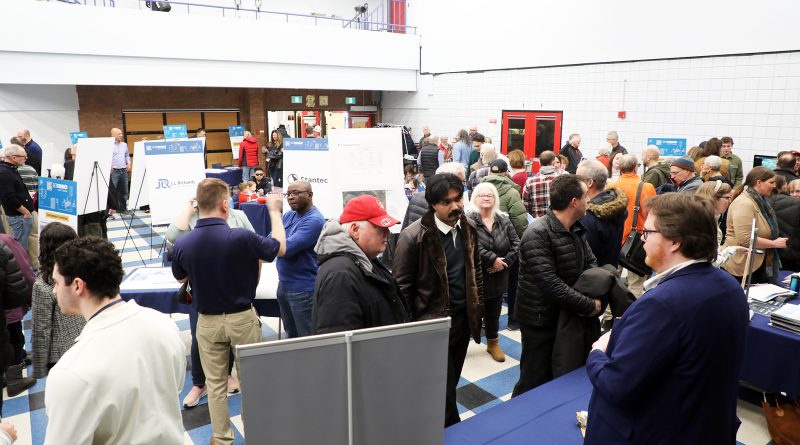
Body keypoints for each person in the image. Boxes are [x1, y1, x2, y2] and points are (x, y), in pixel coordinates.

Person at [584, 193, 748, 445]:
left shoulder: (662, 304)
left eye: (648, 232)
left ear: (674, 242)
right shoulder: (728, 285)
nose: (642, 238)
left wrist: (598, 352)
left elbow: (617, 386)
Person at [171, 178, 286, 444]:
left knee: (215, 385)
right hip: (242, 319)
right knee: (252, 383)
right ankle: (256, 433)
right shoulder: (241, 236)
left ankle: (221, 438)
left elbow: (180, 278)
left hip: (206, 322)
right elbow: (279, 247)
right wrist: (274, 213)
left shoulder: (184, 244)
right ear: (225, 204)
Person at [45, 237, 186, 444]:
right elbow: (174, 388)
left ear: (77, 285)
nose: (54, 290)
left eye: (56, 282)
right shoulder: (164, 325)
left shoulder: (71, 371)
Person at [393, 173, 484, 427]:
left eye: (459, 199)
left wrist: (477, 311)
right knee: (440, 389)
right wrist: (412, 331)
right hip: (430, 326)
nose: (455, 206)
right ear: (433, 204)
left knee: (450, 380)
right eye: (447, 202)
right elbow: (401, 291)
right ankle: (445, 431)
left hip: (462, 322)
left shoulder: (468, 228)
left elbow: (475, 273)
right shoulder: (413, 237)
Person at [513, 174, 600, 396]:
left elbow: (591, 264)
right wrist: (588, 304)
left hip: (564, 315)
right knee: (534, 378)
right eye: (586, 199)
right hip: (540, 319)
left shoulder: (576, 228)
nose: (588, 203)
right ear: (574, 202)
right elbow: (549, 283)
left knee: (558, 373)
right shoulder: (538, 233)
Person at [165, 195, 254, 408]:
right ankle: (199, 383)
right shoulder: (195, 218)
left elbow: (253, 245)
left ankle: (225, 375)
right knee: (200, 339)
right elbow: (172, 236)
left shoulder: (238, 216)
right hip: (202, 292)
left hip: (233, 290)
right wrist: (188, 207)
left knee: (230, 338)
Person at [312, 194, 409, 333]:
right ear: (355, 230)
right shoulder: (340, 274)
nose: (388, 233)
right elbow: (340, 342)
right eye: (380, 228)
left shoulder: (367, 259)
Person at [467, 182, 519, 362]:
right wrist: (492, 259)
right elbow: (471, 246)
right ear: (475, 198)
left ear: (495, 199)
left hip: (498, 276)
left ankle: (493, 343)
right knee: (470, 312)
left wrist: (503, 262)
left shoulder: (503, 219)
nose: (486, 197)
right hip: (475, 277)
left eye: (490, 195)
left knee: (493, 313)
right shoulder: (468, 220)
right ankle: (459, 346)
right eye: (482, 195)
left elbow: (516, 244)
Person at [31, 223, 85, 379]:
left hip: (62, 353)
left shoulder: (43, 285)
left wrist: (40, 368)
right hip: (85, 342)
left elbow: (41, 328)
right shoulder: (83, 272)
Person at [722, 167, 787, 284]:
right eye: (771, 182)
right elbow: (746, 239)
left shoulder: (759, 201)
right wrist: (774, 244)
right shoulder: (744, 203)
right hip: (742, 266)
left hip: (754, 263)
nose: (774, 186)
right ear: (758, 182)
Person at [276, 181, 325, 338]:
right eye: (288, 194)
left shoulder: (315, 220)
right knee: (291, 335)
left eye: (296, 193)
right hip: (284, 285)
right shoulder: (290, 215)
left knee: (306, 339)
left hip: (303, 290)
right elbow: (272, 238)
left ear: (310, 195)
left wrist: (274, 243)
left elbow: (286, 248)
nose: (290, 197)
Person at [611, 154, 656, 297]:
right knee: (636, 284)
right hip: (637, 242)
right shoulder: (647, 187)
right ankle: (632, 315)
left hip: (615, 240)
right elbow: (652, 215)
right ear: (636, 168)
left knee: (610, 281)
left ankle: (608, 316)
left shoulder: (611, 186)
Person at [578, 160, 627, 267]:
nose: (575, 183)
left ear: (590, 183)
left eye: (578, 179)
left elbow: (584, 257)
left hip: (593, 277)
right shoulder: (615, 205)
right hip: (609, 273)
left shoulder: (589, 217)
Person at [402, 162, 465, 230]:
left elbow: (405, 227)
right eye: (460, 182)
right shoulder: (452, 207)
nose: (462, 185)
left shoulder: (416, 197)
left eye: (463, 182)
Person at [696, 181, 745, 267]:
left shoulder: (710, 218)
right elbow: (713, 261)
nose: (730, 202)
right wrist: (732, 250)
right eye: (727, 198)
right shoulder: (703, 223)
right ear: (713, 198)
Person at [0, 146, 35, 250]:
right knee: (20, 247)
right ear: (14, 158)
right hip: (19, 216)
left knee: (21, 245)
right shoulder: (5, 172)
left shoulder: (10, 169)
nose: (26, 158)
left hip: (20, 215)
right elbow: (8, 197)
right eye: (24, 156)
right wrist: (25, 212)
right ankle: (21, 266)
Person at [482, 159, 528, 237]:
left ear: (489, 172)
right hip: (504, 239)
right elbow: (519, 221)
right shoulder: (512, 193)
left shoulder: (479, 190)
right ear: (506, 172)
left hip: (482, 238)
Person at [770, 178, 800, 271]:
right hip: (786, 256)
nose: (795, 194)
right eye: (792, 191)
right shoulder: (786, 205)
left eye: (798, 191)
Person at [522, 150, 559, 218]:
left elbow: (525, 207)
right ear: (553, 162)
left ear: (539, 162)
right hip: (557, 222)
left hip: (537, 223)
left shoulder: (530, 182)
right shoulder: (561, 180)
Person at [108, 128, 131, 214]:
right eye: (119, 134)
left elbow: (127, 155)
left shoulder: (124, 145)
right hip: (114, 172)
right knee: (112, 191)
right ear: (113, 135)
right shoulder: (108, 145)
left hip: (123, 171)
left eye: (121, 133)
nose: (121, 135)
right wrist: (109, 164)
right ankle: (112, 209)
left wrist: (129, 163)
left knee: (124, 191)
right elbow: (106, 157)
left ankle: (123, 209)